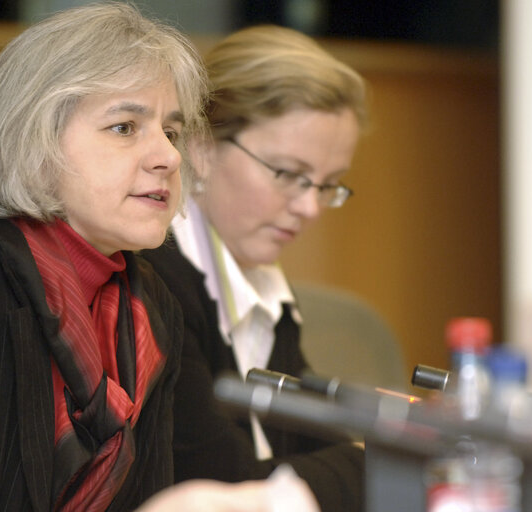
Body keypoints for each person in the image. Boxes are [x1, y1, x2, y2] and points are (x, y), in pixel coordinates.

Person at [0, 3, 320, 511]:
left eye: (171, 131)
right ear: (33, 140)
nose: (168, 156)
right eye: (125, 127)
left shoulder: (151, 306)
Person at [142, 25, 368, 512]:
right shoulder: (153, 281)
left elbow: (316, 452)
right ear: (200, 146)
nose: (310, 208)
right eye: (288, 174)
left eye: (328, 185)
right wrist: (360, 463)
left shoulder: (262, 283)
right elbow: (226, 486)